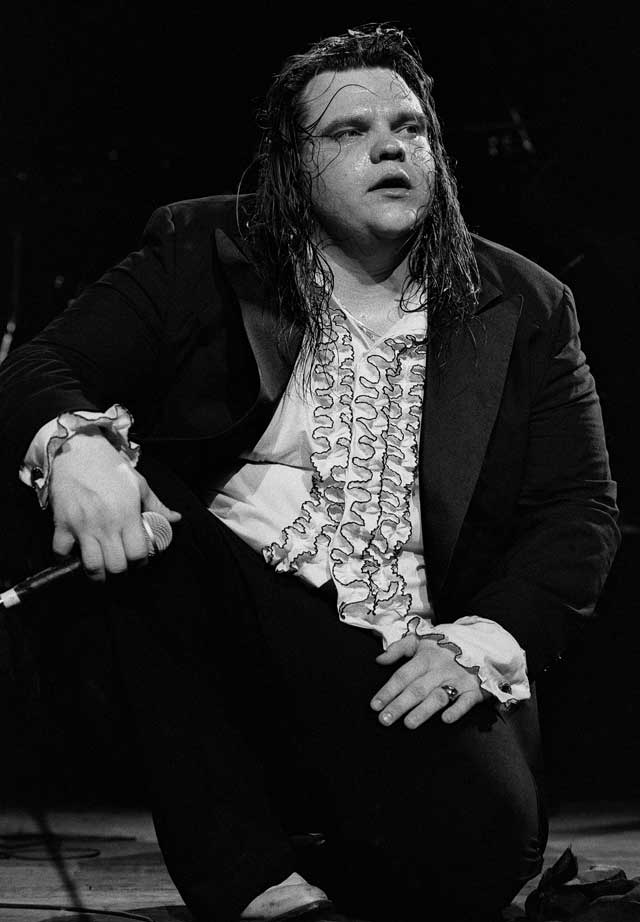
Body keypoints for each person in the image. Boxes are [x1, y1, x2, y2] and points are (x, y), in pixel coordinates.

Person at [0, 23, 620, 922]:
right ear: (293, 165)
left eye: (411, 128)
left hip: (408, 657)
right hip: (232, 632)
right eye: (348, 131)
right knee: (145, 511)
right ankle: (253, 883)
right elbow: (37, 367)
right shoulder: (201, 248)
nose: (390, 147)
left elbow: (580, 512)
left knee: (483, 851)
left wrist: (477, 643)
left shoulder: (525, 303)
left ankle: (329, 844)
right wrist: (77, 445)